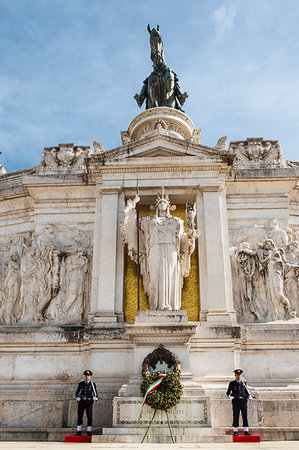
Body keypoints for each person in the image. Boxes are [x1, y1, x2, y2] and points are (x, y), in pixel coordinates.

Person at [226, 369, 252, 436]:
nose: (238, 376)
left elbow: (247, 392)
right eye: (237, 375)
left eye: (240, 375)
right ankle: (235, 431)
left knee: (245, 415)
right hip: (236, 401)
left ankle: (246, 430)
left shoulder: (244, 383)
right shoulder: (232, 383)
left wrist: (248, 396)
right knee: (236, 415)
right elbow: (228, 392)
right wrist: (231, 397)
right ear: (235, 375)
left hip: (243, 401)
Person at [75, 370, 98, 436]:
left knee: (89, 416)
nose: (87, 377)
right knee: (80, 416)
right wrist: (77, 397)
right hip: (82, 402)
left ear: (90, 376)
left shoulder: (92, 384)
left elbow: (95, 393)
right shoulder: (81, 384)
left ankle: (89, 431)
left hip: (89, 402)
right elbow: (77, 392)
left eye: (88, 375)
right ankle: (79, 431)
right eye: (86, 375)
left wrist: (95, 397)